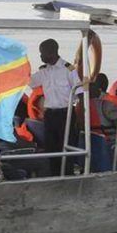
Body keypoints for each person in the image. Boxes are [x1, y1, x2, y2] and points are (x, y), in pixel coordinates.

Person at [28, 38, 83, 176]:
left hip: (66, 114)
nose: (40, 56)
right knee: (51, 148)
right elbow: (30, 82)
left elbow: (80, 93)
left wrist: (81, 117)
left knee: (66, 148)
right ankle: (54, 176)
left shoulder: (68, 70)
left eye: (42, 53)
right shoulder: (45, 71)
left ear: (51, 52)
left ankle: (67, 176)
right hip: (50, 115)